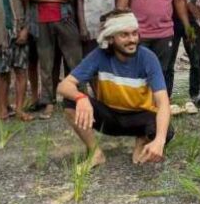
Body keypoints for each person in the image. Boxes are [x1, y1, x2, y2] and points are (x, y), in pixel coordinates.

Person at [57, 9, 173, 167]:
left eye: (134, 33)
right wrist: (81, 97)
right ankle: (95, 153)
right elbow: (64, 86)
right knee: (70, 103)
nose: (132, 39)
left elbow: (163, 102)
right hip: (109, 116)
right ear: (111, 38)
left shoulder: (148, 57)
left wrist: (160, 140)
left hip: (139, 117)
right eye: (124, 35)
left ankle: (142, 141)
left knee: (166, 130)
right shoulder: (99, 55)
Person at [23, 0, 82, 119]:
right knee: (46, 65)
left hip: (65, 20)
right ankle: (48, 102)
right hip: (41, 21)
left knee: (75, 61)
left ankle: (78, 99)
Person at [165, 0, 200, 104]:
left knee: (195, 59)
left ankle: (195, 94)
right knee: (169, 61)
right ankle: (166, 95)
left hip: (191, 23)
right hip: (171, 22)